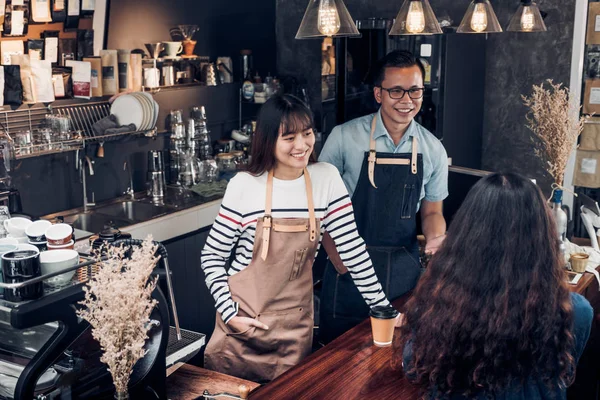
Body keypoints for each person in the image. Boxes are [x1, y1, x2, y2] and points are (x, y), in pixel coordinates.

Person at [201, 94, 394, 383]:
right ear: (268, 140)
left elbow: (352, 250)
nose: (302, 145)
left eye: (307, 133)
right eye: (289, 137)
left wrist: (383, 308)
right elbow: (212, 257)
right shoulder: (244, 185)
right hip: (243, 327)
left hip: (295, 330)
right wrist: (230, 314)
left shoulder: (326, 179)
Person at [399, 172, 593, 399]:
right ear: (543, 237)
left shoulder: (438, 302)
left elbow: (413, 367)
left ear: (466, 232)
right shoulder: (576, 311)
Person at [318, 50, 448, 343]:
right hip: (348, 270)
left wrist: (436, 243)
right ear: (378, 93)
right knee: (336, 364)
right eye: (396, 91)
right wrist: (337, 258)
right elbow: (318, 207)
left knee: (396, 361)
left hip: (404, 272)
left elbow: (431, 212)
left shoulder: (433, 148)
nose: (407, 100)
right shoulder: (343, 138)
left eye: (415, 90)